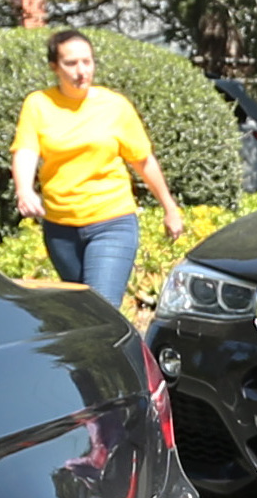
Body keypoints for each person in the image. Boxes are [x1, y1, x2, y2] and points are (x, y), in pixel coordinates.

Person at [12, 28, 183, 307]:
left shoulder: (114, 106)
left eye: (87, 62)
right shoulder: (39, 104)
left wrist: (169, 207)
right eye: (71, 63)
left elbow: (142, 159)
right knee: (82, 311)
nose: (81, 71)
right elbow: (26, 150)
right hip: (60, 227)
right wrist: (24, 189)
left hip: (111, 220)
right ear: (54, 67)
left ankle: (118, 351)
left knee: (102, 307)